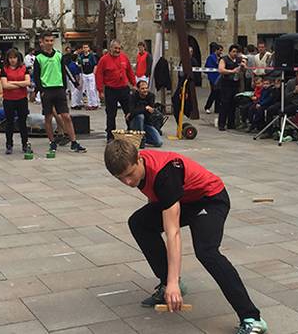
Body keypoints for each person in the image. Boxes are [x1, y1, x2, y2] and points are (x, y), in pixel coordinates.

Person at [104, 139, 268, 334]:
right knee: (139, 223)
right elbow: (156, 199)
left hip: (209, 199)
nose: (128, 182)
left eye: (130, 174)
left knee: (207, 252)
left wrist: (174, 283)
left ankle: (251, 318)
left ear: (139, 159)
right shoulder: (138, 167)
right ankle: (166, 284)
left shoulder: (165, 175)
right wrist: (170, 282)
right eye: (120, 178)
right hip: (184, 199)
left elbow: (172, 233)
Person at [32, 33, 87, 153]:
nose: (49, 43)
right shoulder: (39, 58)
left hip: (59, 89)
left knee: (66, 116)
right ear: (42, 41)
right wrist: (40, 90)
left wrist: (64, 88)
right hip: (47, 90)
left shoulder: (58, 55)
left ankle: (74, 142)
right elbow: (36, 76)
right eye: (47, 40)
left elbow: (63, 72)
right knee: (48, 117)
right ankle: (52, 142)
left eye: (51, 40)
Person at [95, 39, 136, 141]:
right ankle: (110, 135)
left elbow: (130, 71)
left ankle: (131, 131)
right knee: (111, 114)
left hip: (123, 88)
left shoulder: (124, 58)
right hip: (111, 90)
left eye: (119, 48)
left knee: (129, 111)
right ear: (110, 48)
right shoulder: (104, 60)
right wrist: (100, 90)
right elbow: (99, 75)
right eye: (115, 48)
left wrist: (134, 84)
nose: (117, 50)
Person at [0, 49, 31, 155]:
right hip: (9, 99)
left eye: (14, 57)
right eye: (10, 58)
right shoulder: (4, 69)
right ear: (7, 59)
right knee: (9, 123)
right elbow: (5, 85)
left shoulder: (23, 68)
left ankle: (25, 144)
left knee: (23, 122)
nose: (13, 60)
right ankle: (9, 144)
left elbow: (28, 82)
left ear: (18, 58)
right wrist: (20, 84)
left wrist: (12, 82)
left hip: (22, 99)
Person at [217, 44, 246, 131]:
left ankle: (231, 123)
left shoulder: (238, 60)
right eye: (233, 51)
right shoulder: (224, 59)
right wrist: (231, 71)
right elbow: (221, 70)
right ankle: (221, 124)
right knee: (225, 104)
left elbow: (243, 69)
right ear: (229, 52)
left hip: (235, 84)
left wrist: (243, 67)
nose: (235, 53)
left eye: (236, 52)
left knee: (233, 104)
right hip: (226, 84)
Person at [128, 80, 163, 148]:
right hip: (135, 123)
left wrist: (139, 110)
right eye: (142, 88)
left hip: (147, 123)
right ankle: (141, 140)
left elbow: (150, 113)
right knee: (140, 117)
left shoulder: (151, 96)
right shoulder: (133, 96)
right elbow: (132, 112)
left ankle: (137, 138)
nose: (145, 90)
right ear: (138, 89)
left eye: (146, 88)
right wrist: (145, 108)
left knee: (159, 142)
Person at [78, 43, 99, 110]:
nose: (85, 49)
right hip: (85, 74)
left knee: (92, 89)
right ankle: (89, 104)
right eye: (84, 47)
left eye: (86, 47)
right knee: (87, 89)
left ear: (89, 48)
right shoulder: (81, 56)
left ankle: (95, 103)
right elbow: (80, 65)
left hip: (91, 74)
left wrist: (94, 73)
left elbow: (95, 65)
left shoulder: (91, 56)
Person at [204, 43, 221, 114]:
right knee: (214, 93)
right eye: (220, 50)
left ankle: (217, 109)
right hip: (213, 78)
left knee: (218, 93)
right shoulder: (211, 57)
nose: (221, 52)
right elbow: (208, 67)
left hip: (218, 77)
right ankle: (207, 106)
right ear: (216, 50)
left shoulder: (219, 58)